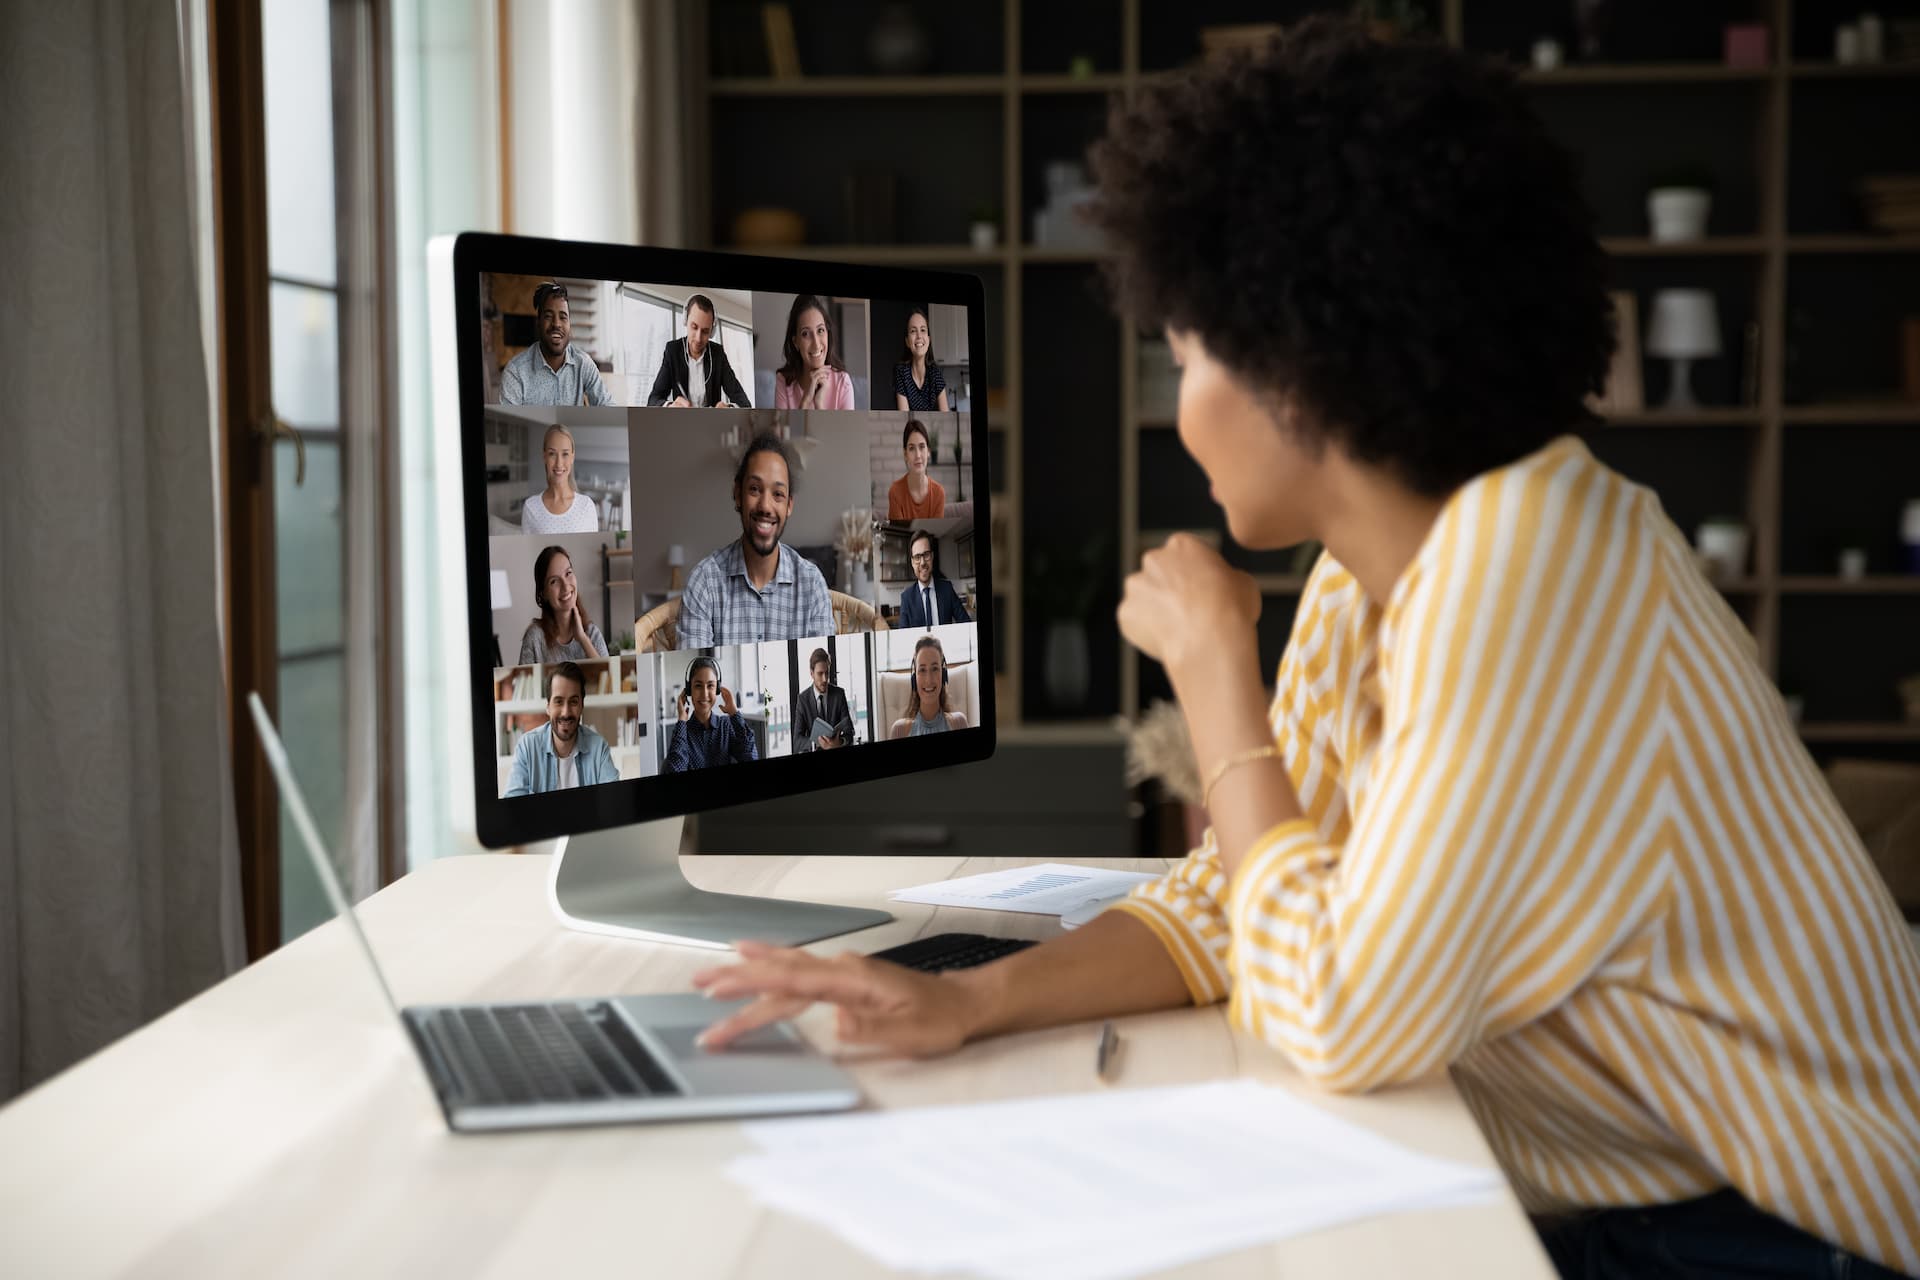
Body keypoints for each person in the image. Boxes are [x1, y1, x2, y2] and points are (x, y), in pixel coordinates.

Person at [691, 21, 1920, 1280]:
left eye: (1187, 358)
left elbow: (1343, 1008)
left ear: (1299, 357)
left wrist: (1219, 672)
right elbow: (1247, 899)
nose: (1180, 416)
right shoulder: (1367, 572)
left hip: (1788, 1232)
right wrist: (967, 1001)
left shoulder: (1531, 561)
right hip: (1622, 1197)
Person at [678, 433, 834, 646]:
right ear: (737, 493)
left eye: (777, 494)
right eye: (754, 489)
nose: (765, 506)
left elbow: (820, 657)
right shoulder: (704, 583)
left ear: (789, 505)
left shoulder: (812, 585)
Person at [502, 661, 619, 795]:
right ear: (548, 707)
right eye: (558, 701)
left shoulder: (598, 747)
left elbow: (614, 799)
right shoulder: (527, 747)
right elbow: (513, 808)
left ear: (581, 706)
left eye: (573, 702)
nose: (566, 712)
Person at [499, 282, 615, 406]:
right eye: (548, 316)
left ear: (570, 324)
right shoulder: (515, 372)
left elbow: (608, 406)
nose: (556, 324)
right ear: (538, 322)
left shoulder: (583, 363)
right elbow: (506, 422)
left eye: (563, 317)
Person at [647, 292, 751, 408]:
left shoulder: (718, 354)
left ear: (712, 331)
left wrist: (729, 408)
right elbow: (653, 399)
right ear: (685, 321)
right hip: (682, 422)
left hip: (711, 423)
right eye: (694, 327)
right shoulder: (673, 351)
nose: (698, 338)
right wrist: (670, 406)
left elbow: (744, 402)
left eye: (705, 331)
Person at [665, 655, 759, 771]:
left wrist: (734, 713)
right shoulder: (683, 732)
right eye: (698, 686)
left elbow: (751, 757)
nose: (705, 694)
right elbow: (674, 769)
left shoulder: (726, 726)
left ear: (717, 689)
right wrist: (681, 721)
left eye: (710, 686)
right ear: (689, 691)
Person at [517, 545, 607, 662]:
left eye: (568, 573)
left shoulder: (592, 633)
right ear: (543, 593)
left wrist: (583, 639)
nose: (565, 586)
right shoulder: (534, 638)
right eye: (554, 581)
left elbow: (610, 676)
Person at [772, 293, 855, 410]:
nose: (816, 344)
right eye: (805, 334)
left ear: (827, 333)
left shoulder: (843, 382)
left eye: (820, 330)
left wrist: (819, 403)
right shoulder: (783, 382)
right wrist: (805, 400)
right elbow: (790, 429)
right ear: (796, 342)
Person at [519, 425, 599, 533]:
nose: (559, 463)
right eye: (552, 454)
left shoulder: (586, 506)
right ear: (544, 457)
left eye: (565, 454)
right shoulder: (531, 507)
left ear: (572, 457)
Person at [887, 634, 967, 739]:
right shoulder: (899, 730)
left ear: (943, 674)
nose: (929, 680)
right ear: (914, 678)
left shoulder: (959, 723)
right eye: (922, 670)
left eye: (934, 669)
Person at [896, 529, 969, 628]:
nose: (922, 563)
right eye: (917, 557)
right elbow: (903, 637)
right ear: (912, 562)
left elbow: (966, 624)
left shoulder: (947, 589)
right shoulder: (906, 597)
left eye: (926, 555)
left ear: (932, 556)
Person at [794, 647, 853, 752]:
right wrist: (816, 743)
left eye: (827, 673)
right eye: (820, 673)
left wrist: (839, 742)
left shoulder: (839, 694)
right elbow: (797, 741)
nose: (825, 679)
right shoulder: (802, 699)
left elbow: (849, 732)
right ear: (811, 673)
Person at [886, 419, 946, 521]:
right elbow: (899, 535)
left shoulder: (938, 493)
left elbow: (936, 535)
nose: (918, 455)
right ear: (905, 454)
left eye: (922, 447)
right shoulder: (895, 491)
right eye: (912, 448)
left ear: (928, 452)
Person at [892, 308, 949, 412]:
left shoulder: (935, 373)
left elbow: (945, 413)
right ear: (907, 341)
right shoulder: (901, 372)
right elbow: (905, 416)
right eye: (913, 331)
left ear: (929, 339)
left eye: (923, 330)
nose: (919, 336)